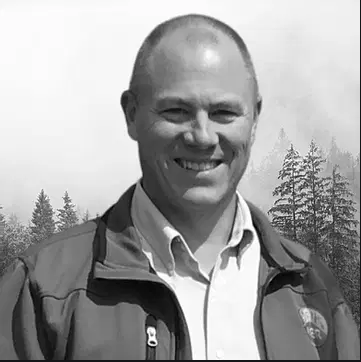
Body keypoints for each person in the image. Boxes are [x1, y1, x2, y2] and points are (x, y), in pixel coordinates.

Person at [0, 13, 359, 360]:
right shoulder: (43, 290)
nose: (202, 136)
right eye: (175, 111)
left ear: (254, 120)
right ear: (131, 115)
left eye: (224, 113)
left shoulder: (311, 288)